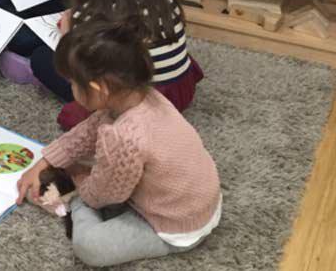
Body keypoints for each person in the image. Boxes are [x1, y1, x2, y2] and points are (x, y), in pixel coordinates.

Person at [15, 17, 221, 268]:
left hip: (178, 227)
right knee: (96, 157)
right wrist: (45, 161)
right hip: (199, 198)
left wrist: (79, 182)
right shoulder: (145, 96)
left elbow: (103, 196)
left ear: (97, 88)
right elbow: (88, 131)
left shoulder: (124, 137)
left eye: (72, 84)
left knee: (90, 246)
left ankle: (75, 202)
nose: (71, 89)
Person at [32, 0, 203, 130]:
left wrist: (67, 30)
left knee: (41, 58)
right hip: (179, 90)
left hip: (132, 101)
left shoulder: (93, 11)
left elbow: (77, 61)